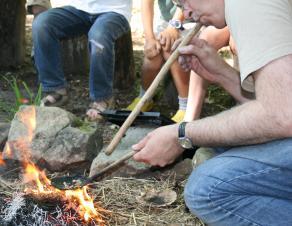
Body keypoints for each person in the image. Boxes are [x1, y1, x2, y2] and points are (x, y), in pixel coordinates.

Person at [132, 0, 292, 225]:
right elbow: (280, 101)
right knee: (217, 149)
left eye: (184, 1)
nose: (185, 13)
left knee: (207, 189)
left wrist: (181, 134)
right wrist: (221, 73)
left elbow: (281, 116)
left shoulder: (247, 5)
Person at [32, 0, 132, 121]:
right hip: (80, 9)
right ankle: (55, 89)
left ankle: (103, 98)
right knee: (42, 24)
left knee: (98, 37)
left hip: (115, 11)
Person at [127, 0, 190, 123]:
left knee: (171, 48)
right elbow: (146, 3)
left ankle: (186, 106)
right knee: (153, 53)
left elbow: (187, 3)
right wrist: (150, 38)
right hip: (166, 21)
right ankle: (144, 98)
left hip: (192, 19)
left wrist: (173, 27)